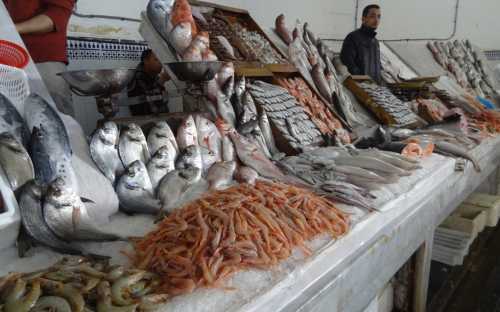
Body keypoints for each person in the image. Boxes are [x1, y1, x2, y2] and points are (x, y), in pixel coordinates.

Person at [4, 0, 76, 116]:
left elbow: (55, 17)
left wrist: (11, 29)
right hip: (10, 63)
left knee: (57, 121)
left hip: (44, 60)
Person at [340, 4, 382, 84]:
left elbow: (377, 67)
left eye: (379, 16)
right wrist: (363, 80)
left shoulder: (375, 42)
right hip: (358, 87)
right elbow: (347, 62)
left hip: (374, 88)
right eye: (372, 16)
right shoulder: (353, 37)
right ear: (363, 19)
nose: (376, 20)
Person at [128, 49, 170, 116]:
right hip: (145, 121)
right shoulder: (138, 77)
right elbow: (148, 103)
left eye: (161, 60)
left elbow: (164, 100)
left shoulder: (155, 76)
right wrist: (162, 80)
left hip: (161, 119)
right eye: (156, 60)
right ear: (146, 61)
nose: (160, 63)